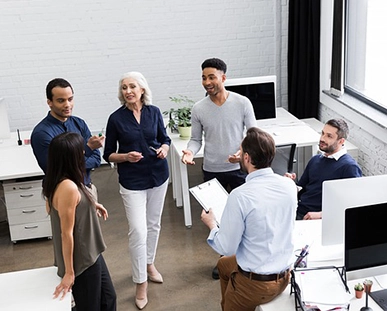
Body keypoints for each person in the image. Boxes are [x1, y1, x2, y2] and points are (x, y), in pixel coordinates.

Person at [201, 127, 297, 311]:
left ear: (246, 158)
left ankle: (234, 301)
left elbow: (226, 247)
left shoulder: (239, 196)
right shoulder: (289, 186)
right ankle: (231, 297)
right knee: (223, 265)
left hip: (258, 284)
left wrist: (212, 224)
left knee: (226, 259)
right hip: (285, 275)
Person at [181, 57, 256, 279]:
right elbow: (195, 140)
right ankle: (224, 260)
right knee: (219, 219)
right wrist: (189, 152)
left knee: (244, 216)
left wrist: (241, 154)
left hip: (240, 170)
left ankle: (245, 259)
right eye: (203, 78)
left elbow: (253, 134)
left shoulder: (242, 103)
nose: (206, 82)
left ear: (223, 77)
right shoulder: (198, 108)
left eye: (211, 77)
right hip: (212, 170)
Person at [103, 71, 170, 310]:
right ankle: (140, 282)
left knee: (153, 225)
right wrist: (125, 157)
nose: (128, 91)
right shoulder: (116, 119)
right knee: (138, 231)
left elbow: (165, 139)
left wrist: (164, 148)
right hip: (132, 181)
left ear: (142, 89)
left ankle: (149, 263)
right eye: (124, 87)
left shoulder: (154, 112)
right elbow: (107, 153)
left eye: (132, 86)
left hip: (159, 176)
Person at [43, 132, 116, 311]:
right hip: (82, 258)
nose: (83, 153)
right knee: (90, 307)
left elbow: (74, 202)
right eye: (80, 151)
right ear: (71, 157)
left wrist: (92, 204)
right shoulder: (67, 187)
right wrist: (69, 272)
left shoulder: (61, 179)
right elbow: (66, 233)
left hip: (92, 252)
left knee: (108, 298)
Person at [31, 78, 104, 197]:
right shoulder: (42, 133)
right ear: (49, 102)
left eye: (70, 99)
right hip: (62, 194)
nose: (67, 105)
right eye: (61, 101)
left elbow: (96, 160)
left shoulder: (79, 123)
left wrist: (71, 163)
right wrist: (88, 148)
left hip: (87, 189)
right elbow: (56, 170)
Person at [286, 118, 362, 220]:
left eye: (329, 136)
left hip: (319, 219)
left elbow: (352, 205)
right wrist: (288, 183)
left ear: (341, 141)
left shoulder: (349, 167)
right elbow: (301, 188)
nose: (322, 138)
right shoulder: (316, 159)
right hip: (297, 211)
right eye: (323, 133)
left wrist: (321, 215)